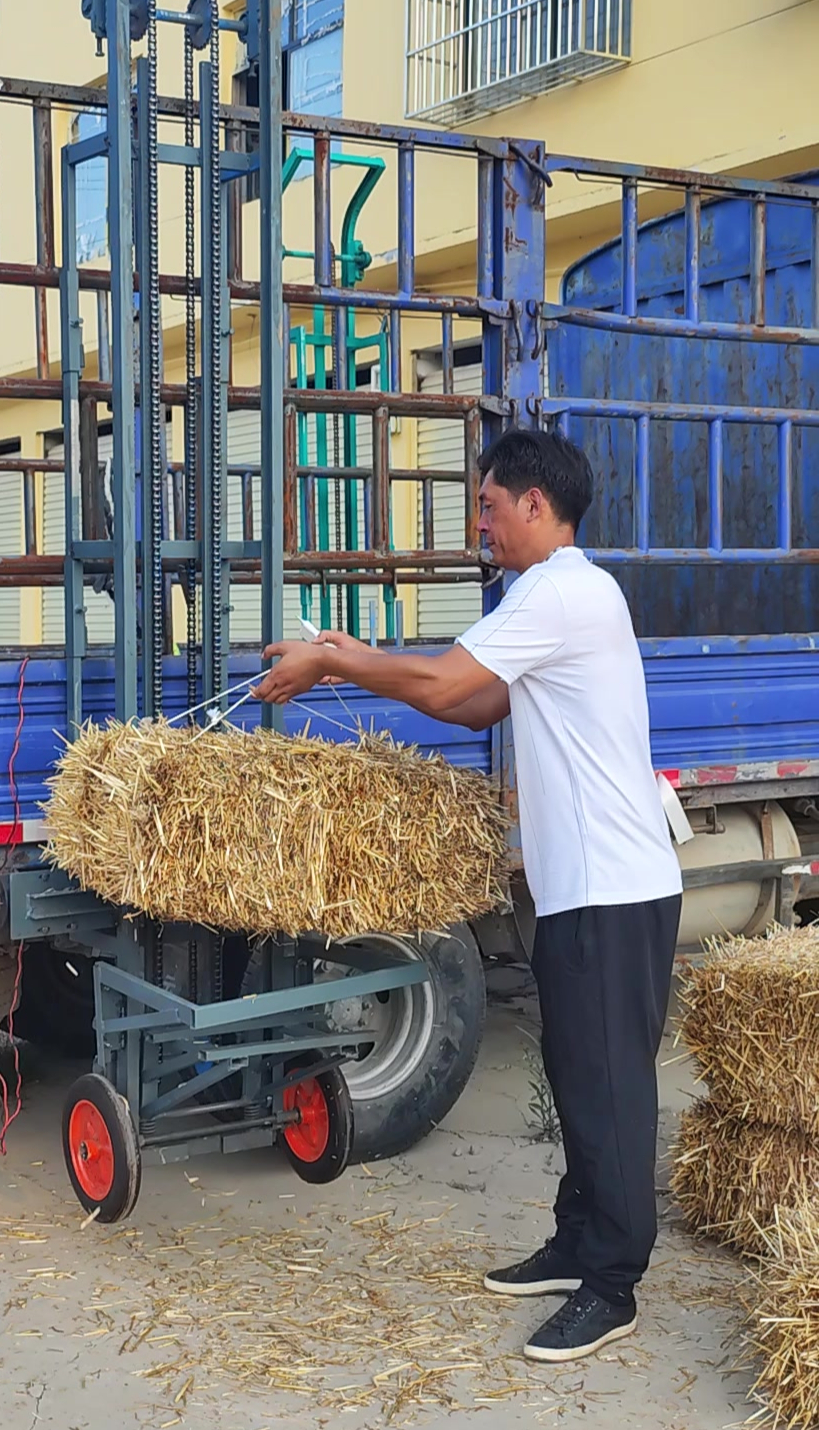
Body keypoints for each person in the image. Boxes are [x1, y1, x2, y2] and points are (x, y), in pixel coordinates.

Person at [253, 429, 683, 1365]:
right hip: (589, 888)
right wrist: (361, 664)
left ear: (535, 503)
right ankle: (578, 1241)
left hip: (612, 888)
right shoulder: (563, 594)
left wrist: (336, 660)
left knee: (608, 1085)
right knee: (577, 1072)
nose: (481, 525)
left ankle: (613, 1285)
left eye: (489, 506)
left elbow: (451, 684)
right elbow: (479, 701)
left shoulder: (558, 591)